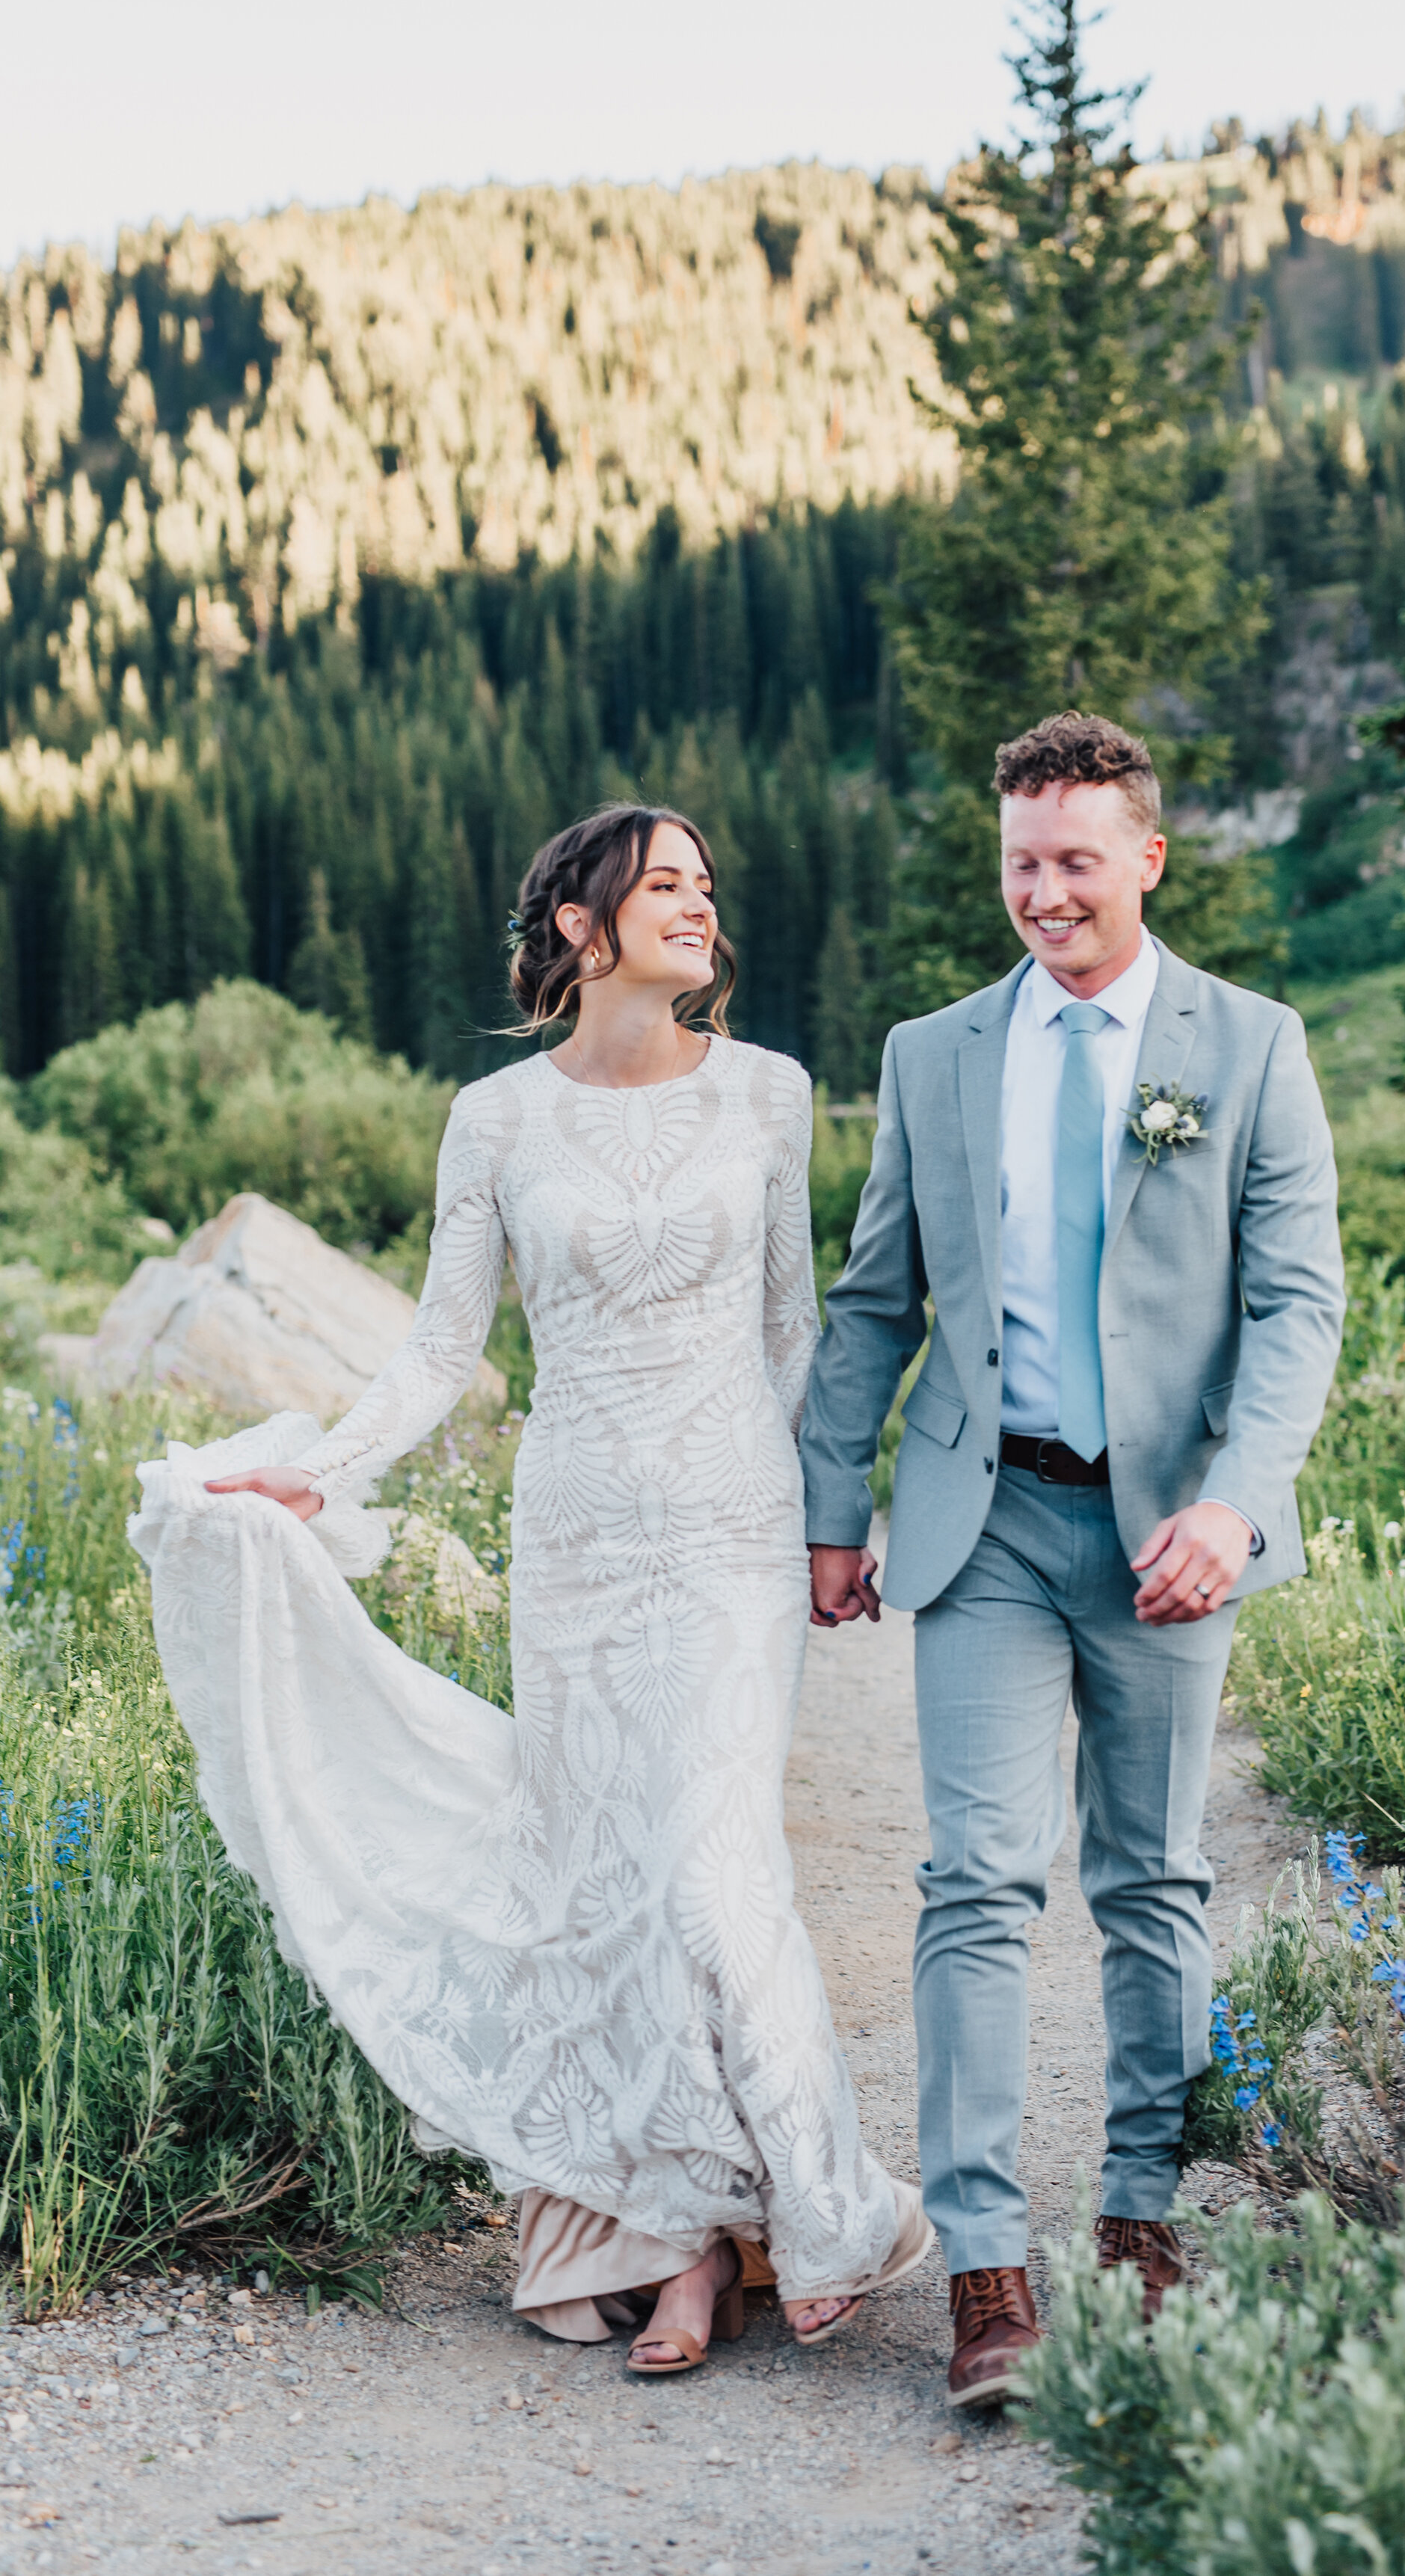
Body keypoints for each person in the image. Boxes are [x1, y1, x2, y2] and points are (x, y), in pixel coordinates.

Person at [129, 804, 930, 2378]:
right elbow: (443, 1349)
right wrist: (321, 1476)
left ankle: (829, 2206)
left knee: (708, 1871)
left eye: (708, 886)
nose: (701, 906)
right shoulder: (493, 1121)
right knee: (605, 1887)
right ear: (582, 924)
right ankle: (687, 2248)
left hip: (723, 1537)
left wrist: (828, 1518)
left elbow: (793, 1330)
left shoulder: (771, 1094)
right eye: (667, 885)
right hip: (570, 1545)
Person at [800, 713, 1344, 2409]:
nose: (1043, 891)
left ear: (1147, 860)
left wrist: (1236, 1505)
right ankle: (985, 2271)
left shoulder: (1247, 1045)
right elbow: (879, 1294)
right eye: (1022, 860)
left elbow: (1298, 1304)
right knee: (975, 1878)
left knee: (1155, 1880)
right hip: (984, 1521)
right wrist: (833, 1500)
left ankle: (1144, 2221)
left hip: (1173, 1528)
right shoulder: (935, 1052)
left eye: (1076, 860)